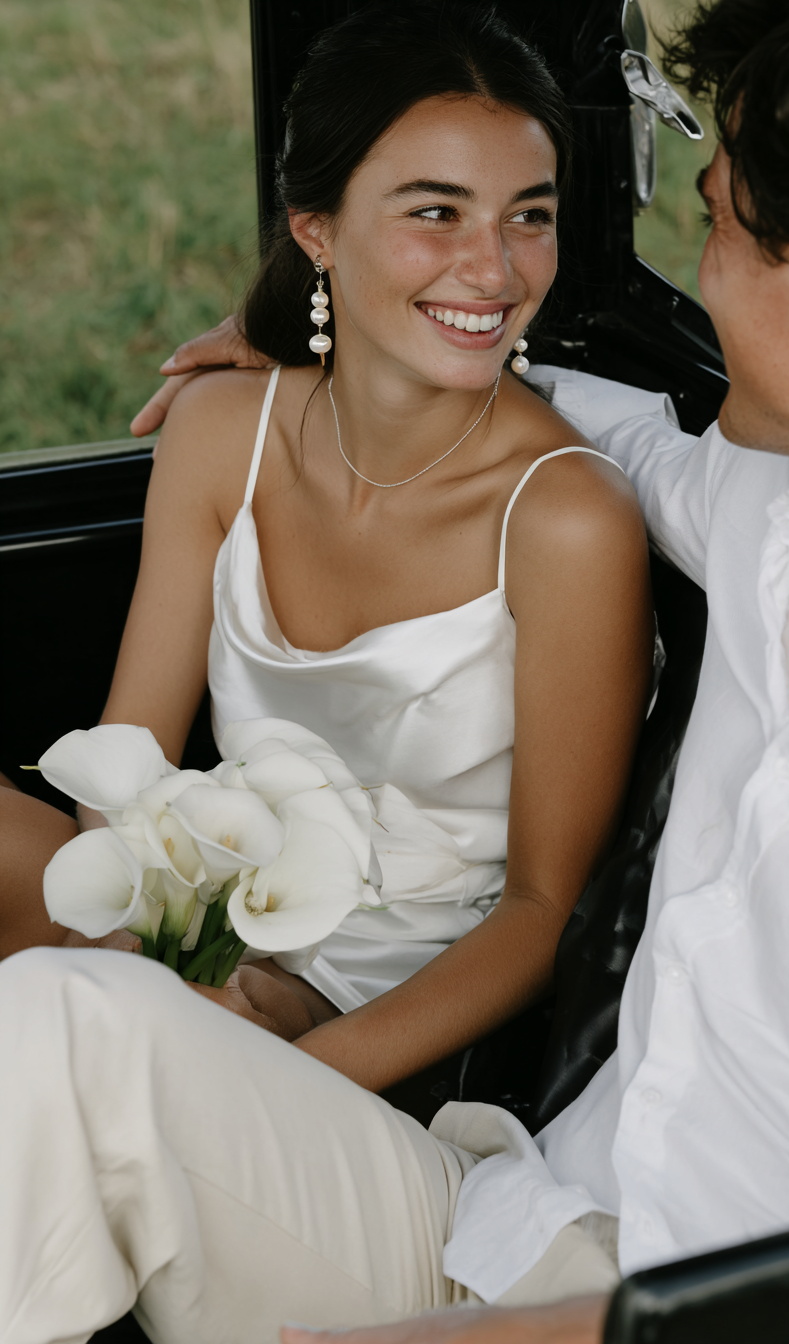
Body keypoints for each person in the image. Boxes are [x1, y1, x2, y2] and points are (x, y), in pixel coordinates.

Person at [4, 0, 789, 1342]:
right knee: (63, 1014)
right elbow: (611, 432)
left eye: (704, 222)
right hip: (509, 1212)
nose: (688, 271)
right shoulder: (768, 513)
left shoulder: (619, 518)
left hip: (685, 1315)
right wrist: (342, 345)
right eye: (432, 211)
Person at [0, 1, 654, 1091]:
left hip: (385, 1019)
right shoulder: (220, 434)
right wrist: (145, 942)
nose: (493, 270)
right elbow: (125, 762)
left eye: (526, 216)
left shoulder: (566, 519)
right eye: (437, 212)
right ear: (316, 229)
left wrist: (291, 1067)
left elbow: (545, 914)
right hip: (203, 913)